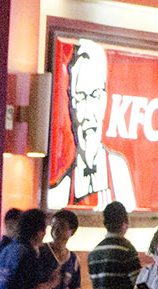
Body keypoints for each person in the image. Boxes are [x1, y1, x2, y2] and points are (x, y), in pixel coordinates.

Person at [48, 40, 138, 210]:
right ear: (71, 106)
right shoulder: (58, 194)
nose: (88, 113)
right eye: (81, 98)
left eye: (95, 96)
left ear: (104, 101)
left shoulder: (119, 172)